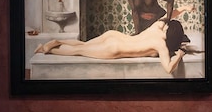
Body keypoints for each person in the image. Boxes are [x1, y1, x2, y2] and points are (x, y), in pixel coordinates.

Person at [34, 9, 198, 76]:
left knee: (83, 45)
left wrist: (185, 8)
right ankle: (46, 49)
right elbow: (168, 69)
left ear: (167, 27)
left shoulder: (157, 27)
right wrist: (179, 55)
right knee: (79, 52)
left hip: (114, 36)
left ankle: (56, 42)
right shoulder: (161, 45)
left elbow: (170, 14)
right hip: (114, 49)